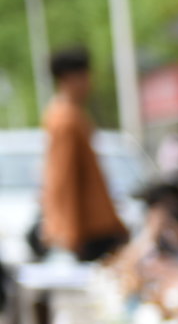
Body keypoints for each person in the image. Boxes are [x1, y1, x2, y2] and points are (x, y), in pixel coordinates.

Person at [35, 47, 126, 262]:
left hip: (94, 224)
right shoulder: (65, 120)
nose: (89, 82)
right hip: (88, 229)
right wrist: (69, 234)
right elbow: (64, 179)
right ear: (68, 78)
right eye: (84, 76)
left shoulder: (70, 114)